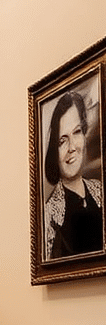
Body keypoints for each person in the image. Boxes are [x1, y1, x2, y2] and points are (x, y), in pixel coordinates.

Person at [43, 88, 104, 260]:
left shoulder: (100, 190)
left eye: (77, 132)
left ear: (84, 135)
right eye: (62, 141)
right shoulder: (50, 214)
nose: (71, 147)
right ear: (54, 151)